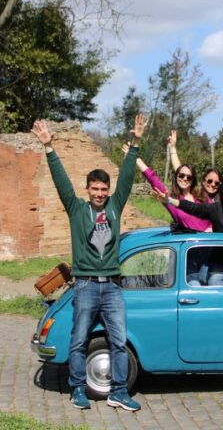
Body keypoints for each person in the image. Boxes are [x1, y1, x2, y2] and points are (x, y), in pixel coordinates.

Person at [31, 115, 147, 412]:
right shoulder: (76, 210)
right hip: (85, 285)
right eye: (95, 189)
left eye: (103, 189)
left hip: (112, 287)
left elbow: (127, 177)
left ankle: (118, 391)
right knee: (79, 339)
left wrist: (135, 142)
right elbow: (61, 183)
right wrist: (48, 147)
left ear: (108, 190)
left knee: (118, 341)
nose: (100, 193)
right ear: (88, 190)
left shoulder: (115, 206)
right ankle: (78, 389)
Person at [168, 129, 223, 204]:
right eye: (209, 181)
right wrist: (172, 148)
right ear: (204, 181)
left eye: (217, 183)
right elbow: (181, 171)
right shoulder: (196, 194)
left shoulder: (220, 196)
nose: (213, 184)